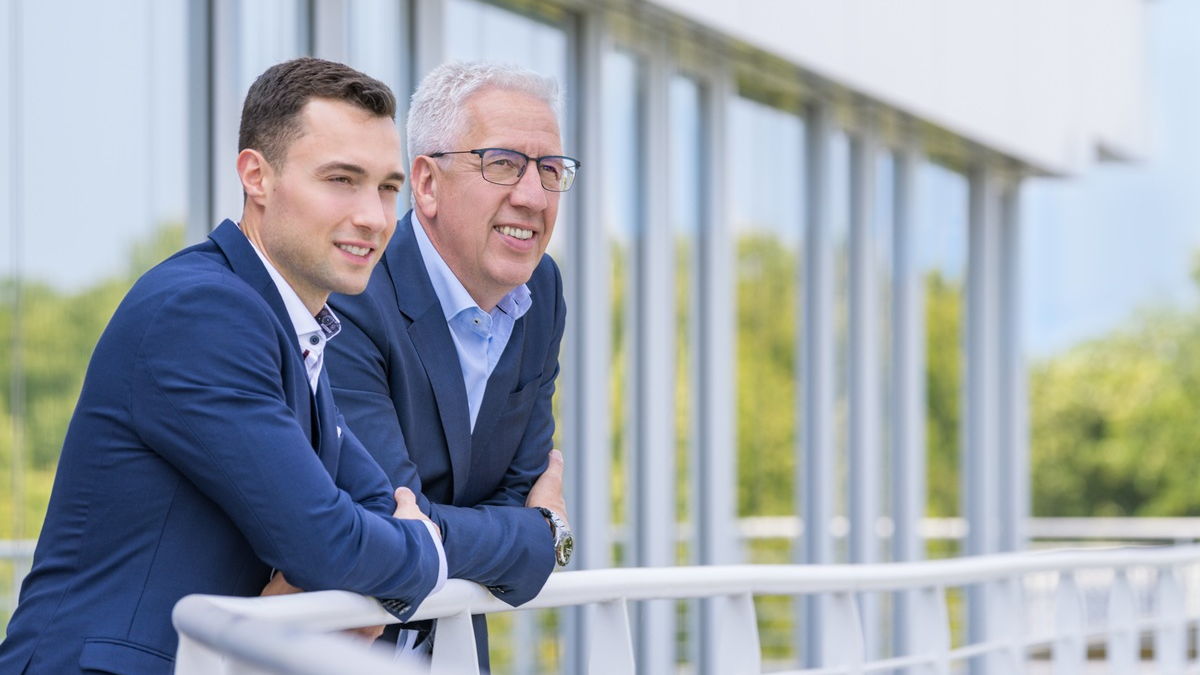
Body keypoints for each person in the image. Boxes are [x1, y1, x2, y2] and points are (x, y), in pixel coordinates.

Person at [0, 57, 446, 675]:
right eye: (341, 179)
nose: (374, 216)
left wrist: (361, 556)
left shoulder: (289, 326)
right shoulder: (203, 312)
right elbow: (329, 543)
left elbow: (369, 505)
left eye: (387, 187)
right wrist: (423, 547)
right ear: (255, 176)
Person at [325, 60, 577, 666]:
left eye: (550, 170)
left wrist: (517, 531)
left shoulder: (541, 291)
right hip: (335, 649)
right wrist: (543, 537)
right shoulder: (353, 289)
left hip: (455, 649)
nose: (533, 196)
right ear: (428, 183)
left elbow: (517, 488)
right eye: (503, 164)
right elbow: (382, 522)